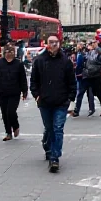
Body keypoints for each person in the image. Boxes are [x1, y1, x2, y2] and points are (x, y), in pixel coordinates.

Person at [30, 35, 76, 173]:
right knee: (49, 128)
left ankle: (55, 157)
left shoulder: (65, 62)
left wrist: (70, 99)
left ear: (59, 44)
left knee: (57, 128)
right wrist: (36, 95)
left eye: (56, 42)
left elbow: (72, 82)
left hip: (61, 102)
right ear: (46, 44)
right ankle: (47, 146)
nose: (54, 44)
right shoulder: (39, 60)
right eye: (51, 42)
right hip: (45, 101)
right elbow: (34, 81)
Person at [0, 44, 28, 141]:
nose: (10, 53)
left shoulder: (19, 64)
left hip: (15, 92)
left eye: (12, 51)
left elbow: (23, 79)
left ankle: (15, 126)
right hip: (2, 91)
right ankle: (8, 132)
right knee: (4, 113)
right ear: (4, 53)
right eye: (8, 51)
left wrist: (24, 91)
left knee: (11, 112)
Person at [74, 39, 101, 117]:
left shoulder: (100, 51)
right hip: (86, 76)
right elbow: (81, 58)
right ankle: (76, 110)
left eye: (91, 43)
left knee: (98, 93)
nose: (90, 45)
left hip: (96, 76)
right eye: (89, 44)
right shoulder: (86, 53)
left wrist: (97, 47)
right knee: (80, 92)